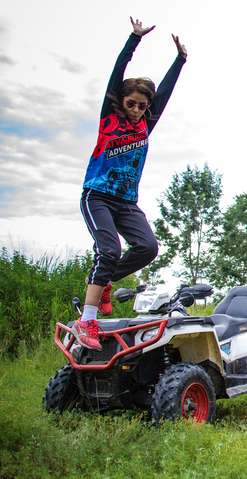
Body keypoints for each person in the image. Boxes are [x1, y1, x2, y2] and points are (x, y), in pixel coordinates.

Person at [75, 17, 187, 350]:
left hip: (126, 202)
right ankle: (87, 321)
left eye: (143, 106)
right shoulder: (110, 116)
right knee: (109, 249)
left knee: (148, 248)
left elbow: (164, 93)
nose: (138, 111)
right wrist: (133, 40)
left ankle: (105, 280)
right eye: (132, 104)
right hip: (97, 196)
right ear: (120, 102)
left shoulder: (145, 125)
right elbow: (116, 74)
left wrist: (180, 59)